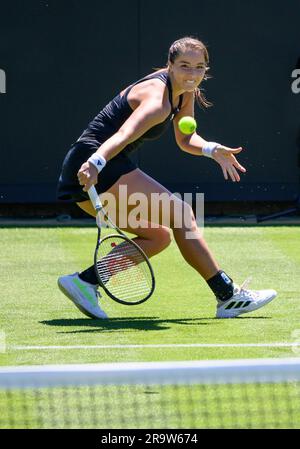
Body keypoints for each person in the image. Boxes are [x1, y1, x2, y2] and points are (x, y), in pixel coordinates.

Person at [57, 36, 277, 319]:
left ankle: (85, 282)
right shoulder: (157, 100)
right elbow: (123, 135)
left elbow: (186, 139)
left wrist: (212, 150)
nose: (192, 74)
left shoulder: (186, 91)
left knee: (157, 236)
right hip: (95, 164)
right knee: (183, 215)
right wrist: (95, 163)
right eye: (185, 65)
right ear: (169, 65)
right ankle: (228, 295)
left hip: (97, 164)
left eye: (199, 67)